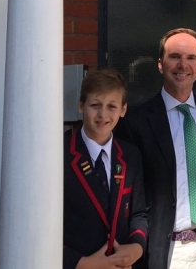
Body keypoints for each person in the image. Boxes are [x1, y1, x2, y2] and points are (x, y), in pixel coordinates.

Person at [119, 28, 196, 269]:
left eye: (191, 58)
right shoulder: (136, 123)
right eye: (174, 57)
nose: (183, 65)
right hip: (168, 250)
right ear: (160, 64)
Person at [64, 69, 148, 269]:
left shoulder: (130, 156)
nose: (103, 115)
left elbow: (139, 213)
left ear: (123, 110)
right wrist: (82, 263)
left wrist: (137, 247)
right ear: (81, 106)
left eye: (112, 106)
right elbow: (41, 225)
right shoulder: (59, 155)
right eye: (95, 105)